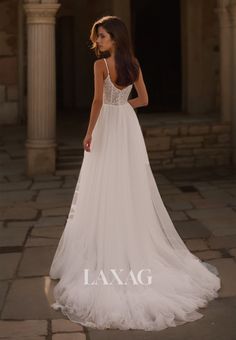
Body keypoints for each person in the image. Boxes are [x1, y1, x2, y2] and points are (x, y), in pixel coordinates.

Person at [49, 15, 221, 332]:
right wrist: (125, 107)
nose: (98, 41)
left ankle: (108, 248)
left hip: (109, 127)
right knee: (127, 183)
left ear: (114, 37)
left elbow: (98, 101)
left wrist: (89, 133)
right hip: (127, 127)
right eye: (97, 36)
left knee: (103, 184)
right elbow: (144, 98)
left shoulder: (101, 66)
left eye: (102, 36)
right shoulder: (134, 63)